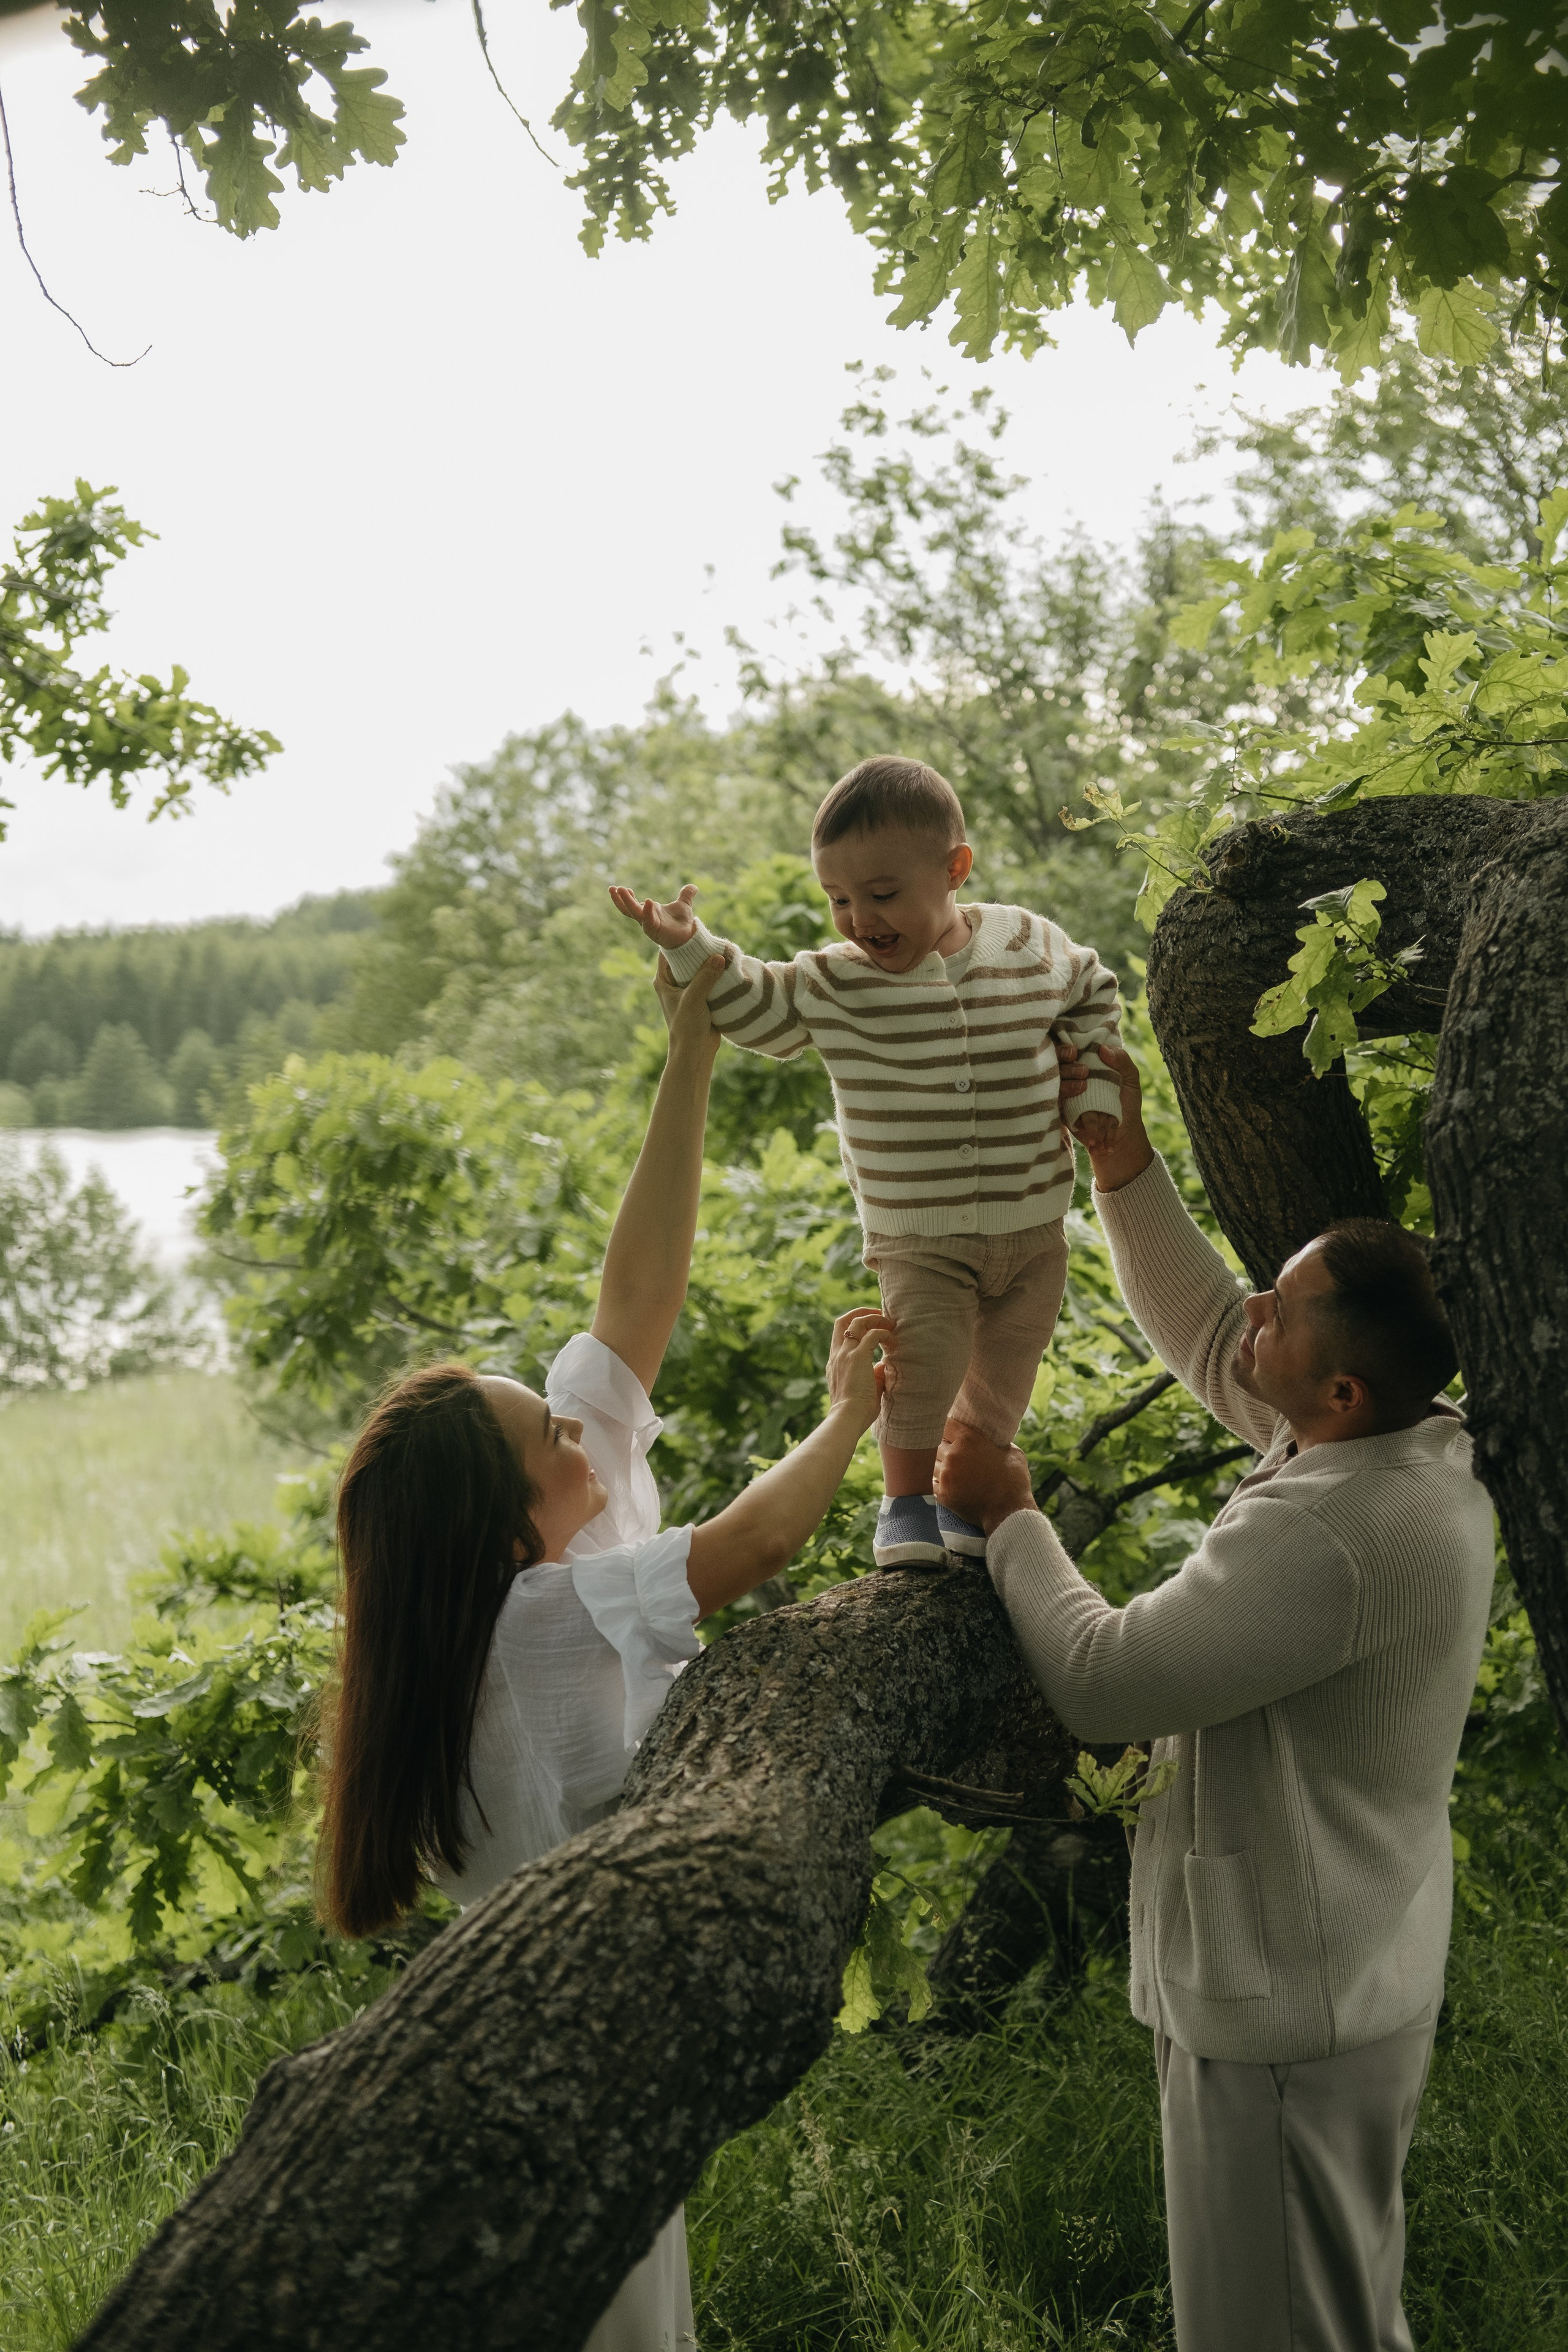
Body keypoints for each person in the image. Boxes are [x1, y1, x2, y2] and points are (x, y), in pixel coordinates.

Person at [318, 955, 891, 2352]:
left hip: (564, 2037)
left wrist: (690, 1051)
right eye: (549, 1436)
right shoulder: (534, 1623)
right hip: (555, 2066)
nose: (579, 1431)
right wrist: (846, 1417)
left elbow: (632, 1307)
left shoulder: (512, 1590)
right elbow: (754, 1543)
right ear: (507, 1520)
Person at [935, 1040, 1496, 2352]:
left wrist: (1011, 1518)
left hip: (1289, 2004)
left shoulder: (1339, 1529)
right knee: (1330, 2315)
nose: (1252, 1313)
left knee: (1275, 2330)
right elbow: (1208, 1333)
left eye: (1279, 1312)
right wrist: (1124, 1169)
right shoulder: (1399, 1441)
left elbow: (1106, 1676)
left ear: (1337, 1389)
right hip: (1332, 1968)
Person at [608, 753, 1123, 1572]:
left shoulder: (1028, 943)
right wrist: (688, 947)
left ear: (954, 869)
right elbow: (755, 1003)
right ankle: (905, 1502)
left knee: (1009, 1366)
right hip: (919, 1233)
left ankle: (965, 1489)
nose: (859, 919)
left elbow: (1094, 990)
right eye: (838, 899)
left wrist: (1092, 1084)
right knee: (923, 1361)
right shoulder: (835, 983)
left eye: (882, 895)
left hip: (1035, 1223)